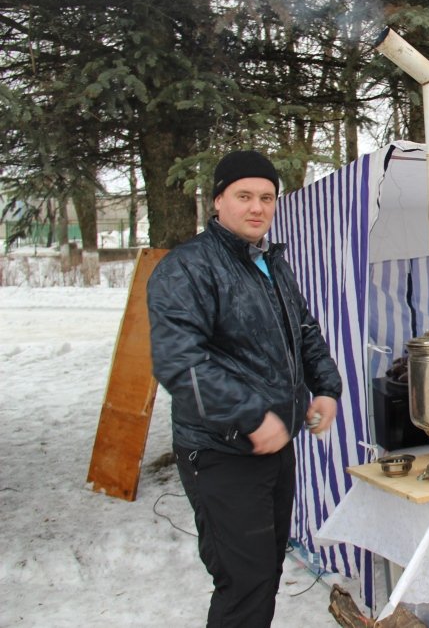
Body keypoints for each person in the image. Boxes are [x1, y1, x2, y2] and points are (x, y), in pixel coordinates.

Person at [147, 150, 342, 628]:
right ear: (218, 201)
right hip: (221, 451)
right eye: (244, 196)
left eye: (267, 198)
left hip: (274, 447)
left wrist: (325, 386)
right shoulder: (188, 267)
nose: (257, 207)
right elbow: (180, 362)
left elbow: (304, 330)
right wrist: (250, 416)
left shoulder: (271, 263)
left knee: (266, 570)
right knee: (243, 583)